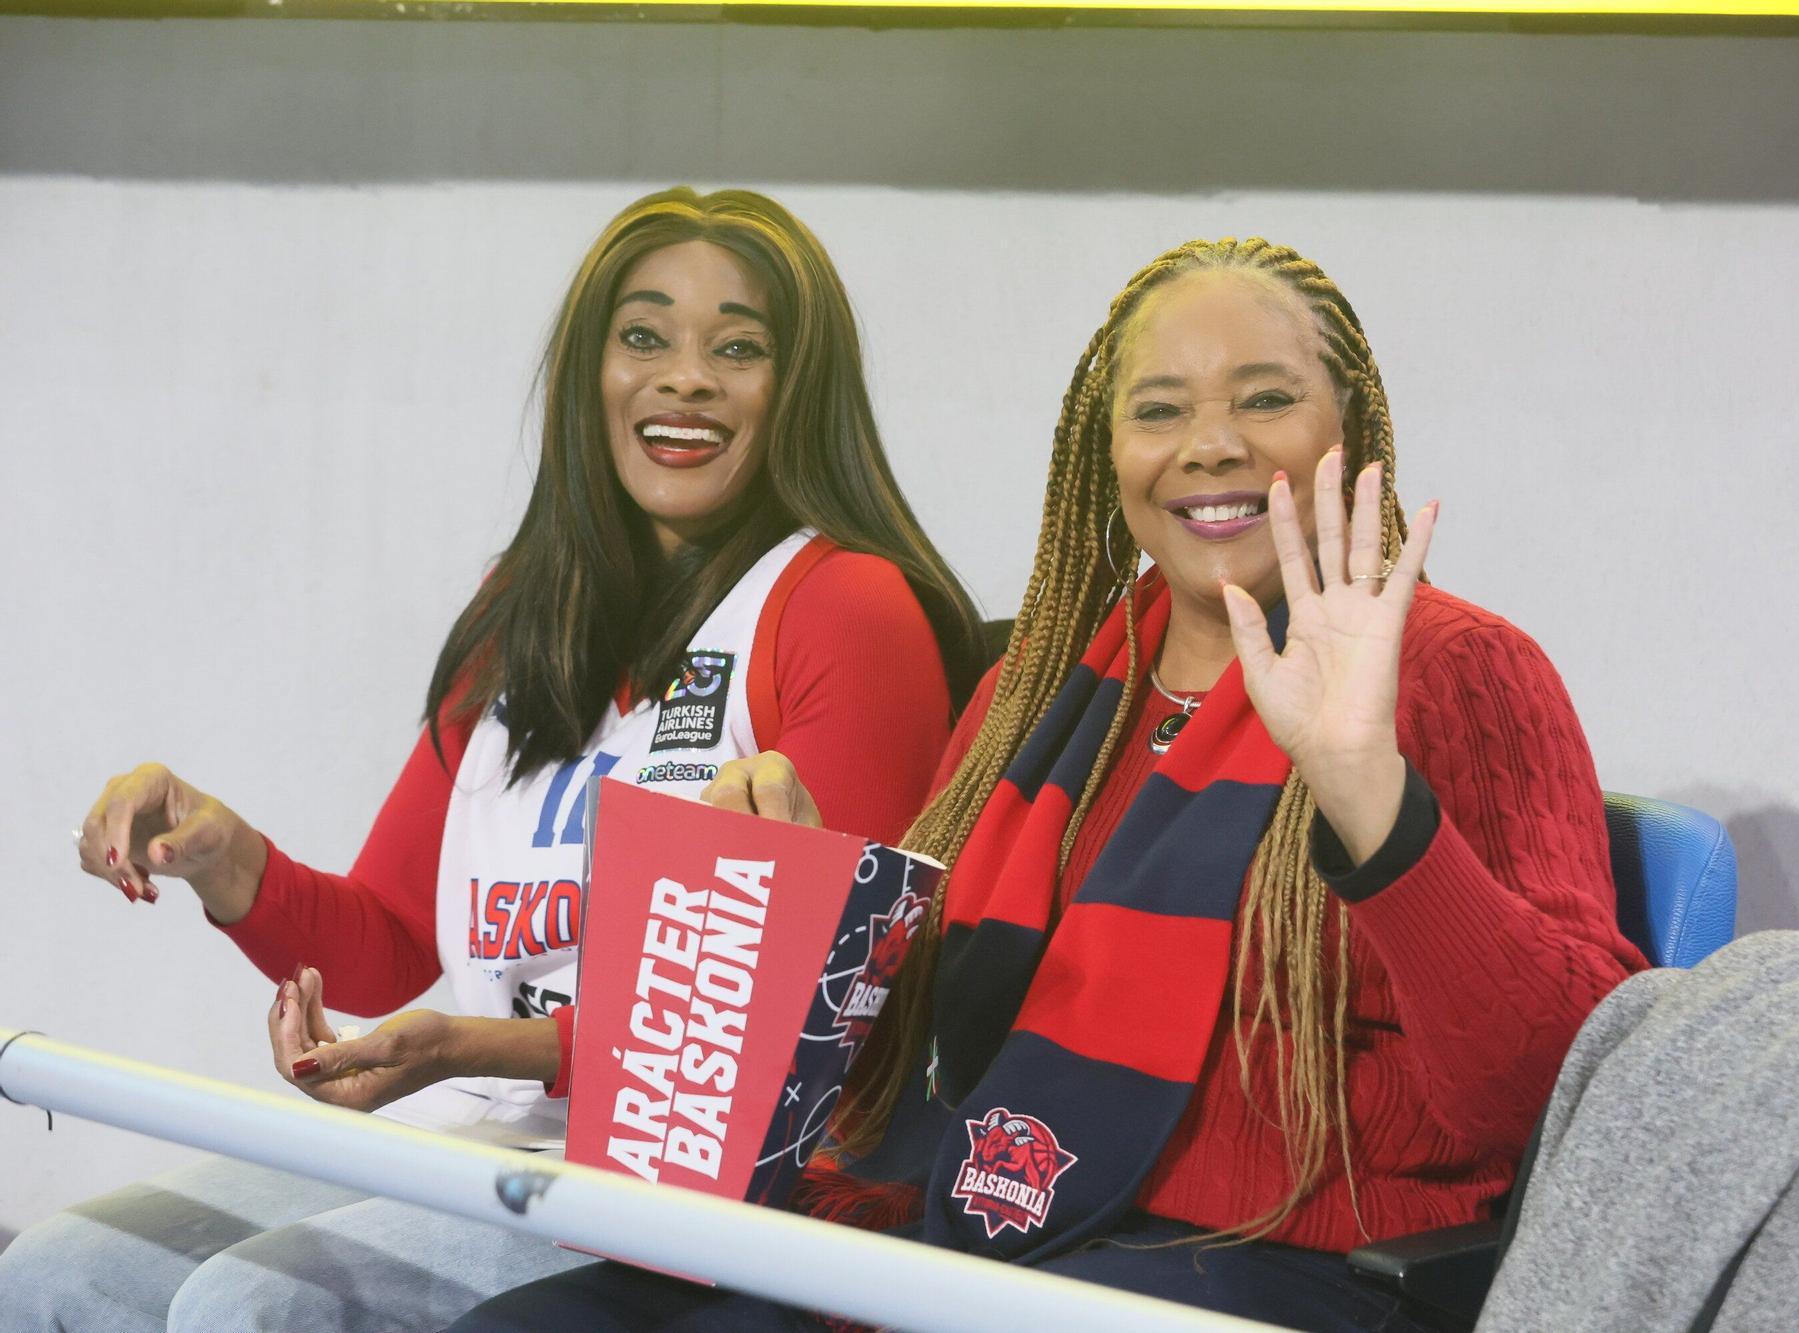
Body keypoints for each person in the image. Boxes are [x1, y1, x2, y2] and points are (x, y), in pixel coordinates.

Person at [447, 235, 1652, 1333]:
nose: (1211, 443)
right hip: (974, 1229)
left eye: (1265, 399)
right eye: (1159, 409)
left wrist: (1370, 802)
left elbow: (1558, 1087)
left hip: (1264, 1268)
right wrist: (812, 910)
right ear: (1106, 453)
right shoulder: (1037, 690)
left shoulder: (1453, 669)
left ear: (1351, 429)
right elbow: (901, 1062)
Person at [0, 187, 984, 1333]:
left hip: (690, 1187)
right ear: (590, 375)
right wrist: (224, 861)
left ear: (797, 389)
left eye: (739, 348)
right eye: (644, 336)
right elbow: (384, 944)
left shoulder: (844, 604)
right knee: (61, 1271)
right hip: (479, 1129)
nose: (685, 378)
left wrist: (473, 1045)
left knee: (254, 1307)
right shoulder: (525, 605)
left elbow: (804, 1030)